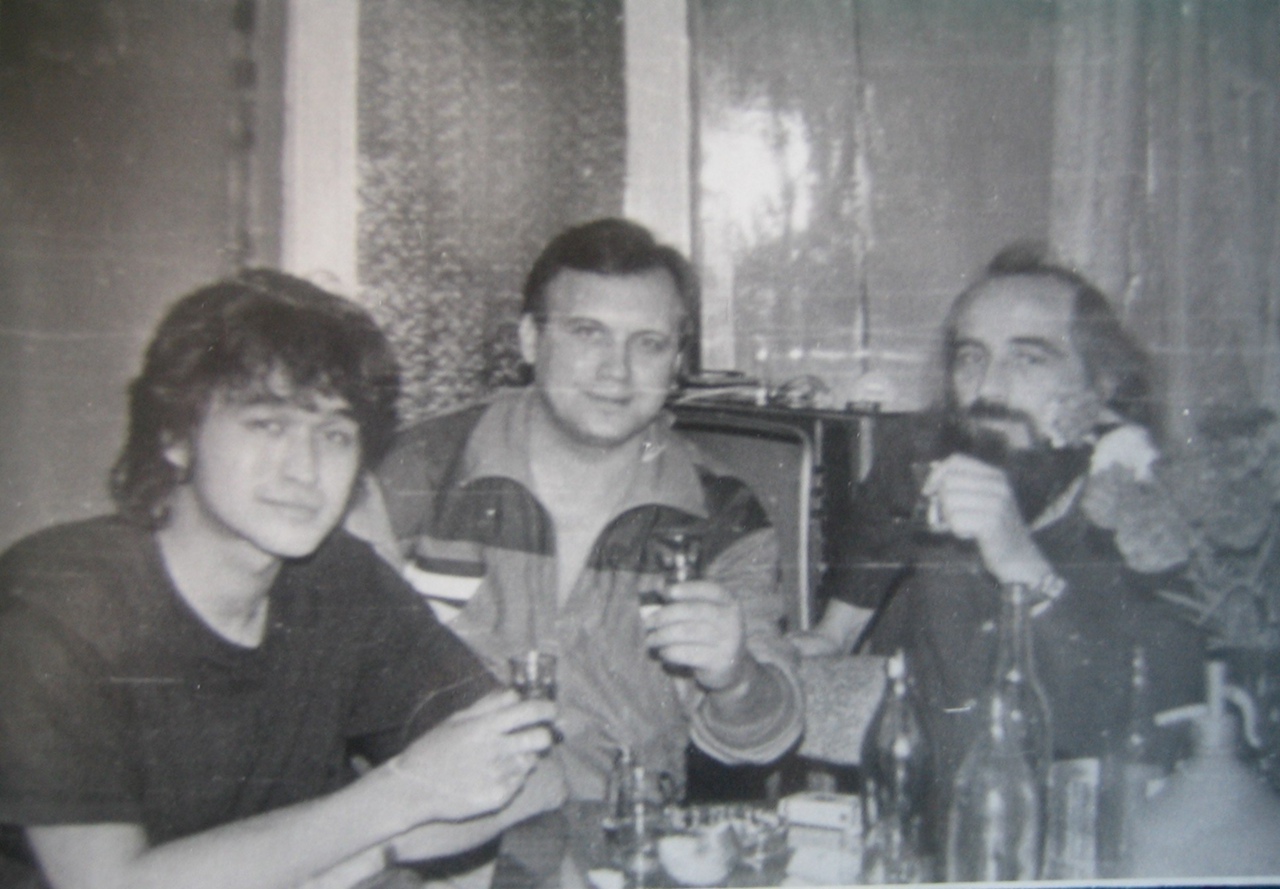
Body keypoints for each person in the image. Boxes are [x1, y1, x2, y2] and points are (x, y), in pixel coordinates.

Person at [0, 271, 563, 889]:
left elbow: (536, 772)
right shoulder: (59, 600)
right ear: (175, 437)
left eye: (335, 435)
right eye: (268, 425)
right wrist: (399, 796)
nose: (305, 469)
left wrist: (371, 851)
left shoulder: (339, 577)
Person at [349, 218, 803, 800]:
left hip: (617, 838)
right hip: (428, 837)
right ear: (530, 341)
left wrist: (735, 678)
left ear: (677, 361)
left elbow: (766, 738)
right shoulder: (412, 474)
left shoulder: (723, 512)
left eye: (649, 343)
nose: (617, 370)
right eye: (588, 333)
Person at [791, 244, 1204, 820]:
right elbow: (881, 512)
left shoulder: (1152, 508)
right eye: (971, 358)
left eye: (1029, 359)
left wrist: (1017, 559)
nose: (989, 388)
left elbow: (1134, 731)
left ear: (1103, 384)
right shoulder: (935, 457)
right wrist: (835, 632)